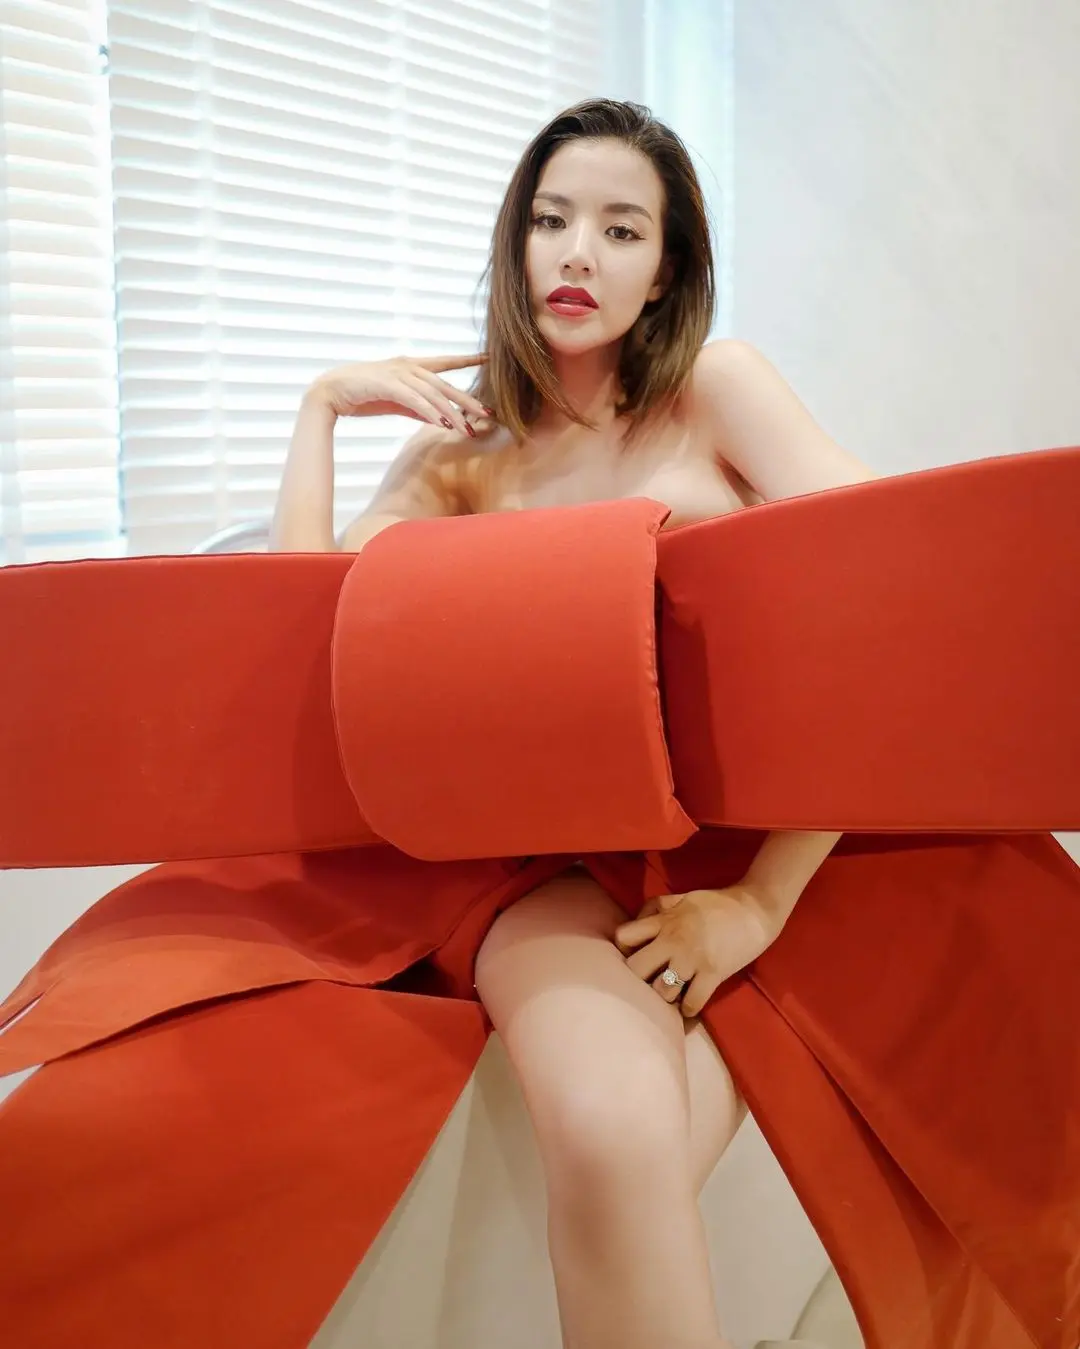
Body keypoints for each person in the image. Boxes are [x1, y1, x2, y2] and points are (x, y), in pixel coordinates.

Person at [272, 98, 878, 1349]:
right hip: (542, 864)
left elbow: (889, 599)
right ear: (516, 243)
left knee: (624, 1143)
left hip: (745, 836)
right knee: (610, 1132)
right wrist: (321, 404)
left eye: (620, 229)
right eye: (550, 221)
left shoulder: (716, 389)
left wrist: (761, 903)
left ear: (666, 271)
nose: (577, 254)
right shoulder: (460, 457)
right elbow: (295, 634)